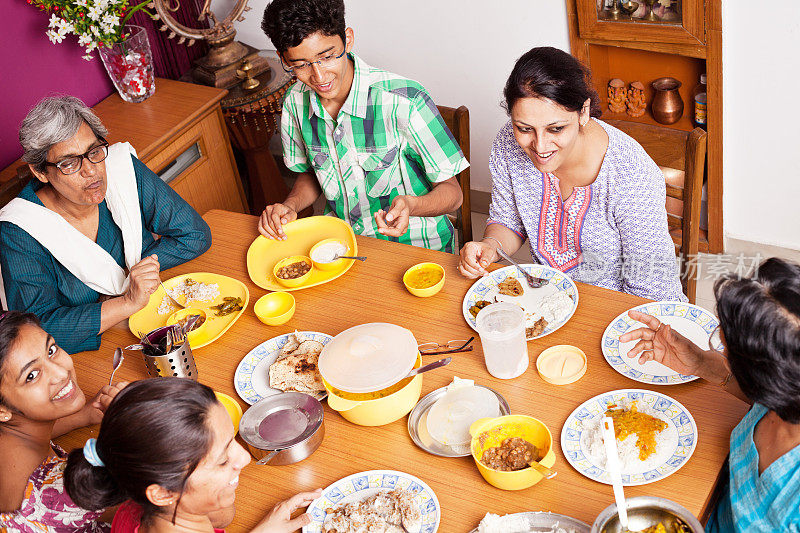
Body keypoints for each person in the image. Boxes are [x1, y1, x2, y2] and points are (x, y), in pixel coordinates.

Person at [458, 47, 685, 302]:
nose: (540, 146)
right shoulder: (507, 144)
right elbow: (508, 220)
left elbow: (651, 292)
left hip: (619, 311)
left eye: (556, 129)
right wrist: (491, 245)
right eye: (524, 128)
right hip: (548, 301)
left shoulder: (630, 175)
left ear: (583, 112)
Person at [0, 96, 212, 353]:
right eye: (68, 163)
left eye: (94, 151)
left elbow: (193, 234)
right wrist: (126, 301)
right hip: (101, 352)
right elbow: (35, 333)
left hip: (158, 315)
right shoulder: (19, 229)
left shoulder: (119, 168)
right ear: (40, 172)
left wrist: (135, 276)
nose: (91, 171)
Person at [257, 0, 468, 252]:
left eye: (327, 57)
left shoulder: (405, 101)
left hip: (416, 248)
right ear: (284, 58)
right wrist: (291, 205)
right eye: (300, 64)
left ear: (347, 39)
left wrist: (412, 205)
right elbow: (312, 174)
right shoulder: (294, 103)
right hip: (342, 246)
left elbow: (453, 194)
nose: (319, 77)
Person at [620, 258, 800, 531]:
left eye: (723, 346)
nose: (720, 350)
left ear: (765, 377)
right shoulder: (784, 394)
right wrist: (697, 362)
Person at [64, 378, 321, 532]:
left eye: (231, 440)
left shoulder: (153, 504)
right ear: (163, 493)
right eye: (222, 460)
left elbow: (224, 517)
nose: (244, 458)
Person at [0, 311, 127, 531]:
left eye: (51, 350)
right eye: (31, 375)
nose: (61, 373)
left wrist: (84, 415)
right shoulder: (61, 490)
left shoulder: (12, 431)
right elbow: (153, 504)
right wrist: (133, 425)